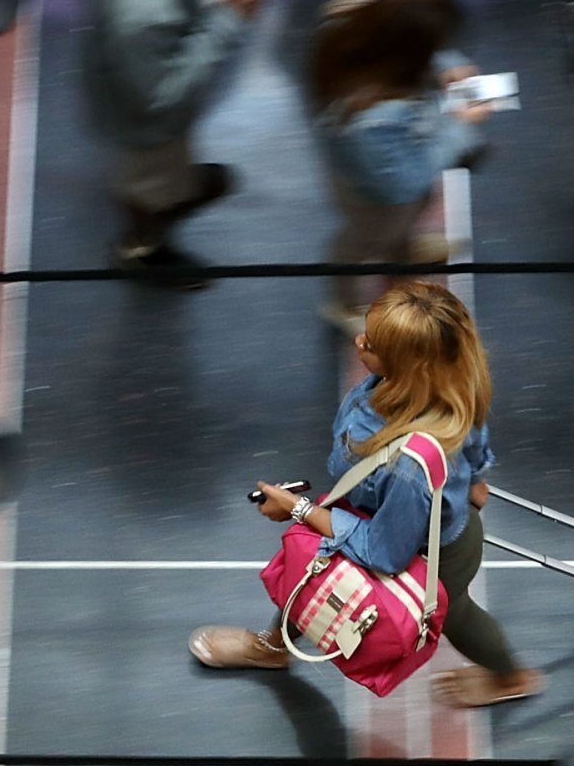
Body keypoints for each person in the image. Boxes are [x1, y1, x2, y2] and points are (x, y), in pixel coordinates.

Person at [191, 280, 542, 709]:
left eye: (372, 344)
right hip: (378, 513)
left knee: (455, 614)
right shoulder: (451, 380)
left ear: (409, 367)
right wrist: (473, 478)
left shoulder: (409, 468)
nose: (359, 341)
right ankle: (274, 648)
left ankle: (511, 678)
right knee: (311, 580)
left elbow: (384, 552)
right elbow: (474, 446)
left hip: (429, 556)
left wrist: (300, 509)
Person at [87, 0, 261, 280]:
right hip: (145, 119)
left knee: (166, 171)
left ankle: (176, 182)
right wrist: (228, 20)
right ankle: (143, 245)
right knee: (151, 186)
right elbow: (163, 92)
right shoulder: (144, 14)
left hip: (116, 62)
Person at [310, 0, 492, 334]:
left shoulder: (363, 23)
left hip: (390, 174)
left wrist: (449, 65)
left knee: (409, 214)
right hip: (372, 194)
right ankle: (343, 302)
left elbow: (396, 17)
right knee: (364, 241)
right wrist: (459, 125)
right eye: (434, 50)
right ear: (409, 56)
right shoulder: (372, 118)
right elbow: (403, 181)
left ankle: (404, 251)